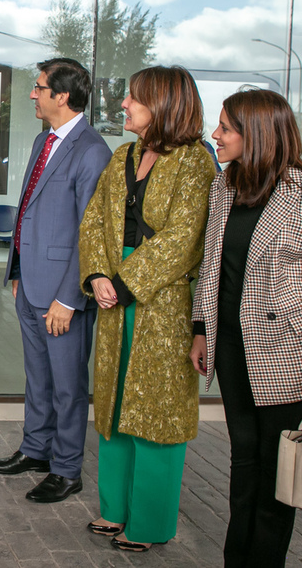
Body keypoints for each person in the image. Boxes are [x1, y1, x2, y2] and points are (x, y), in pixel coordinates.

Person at [79, 65, 215, 551]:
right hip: (114, 290)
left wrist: (124, 282)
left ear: (162, 103)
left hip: (164, 301)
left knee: (156, 413)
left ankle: (151, 524)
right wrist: (96, 275)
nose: (123, 106)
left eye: (132, 98)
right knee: (114, 405)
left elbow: (185, 238)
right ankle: (115, 510)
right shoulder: (123, 156)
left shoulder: (197, 161)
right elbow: (94, 219)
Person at [0, 58, 110, 502]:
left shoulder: (92, 150)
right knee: (37, 377)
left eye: (39, 88)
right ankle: (36, 450)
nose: (33, 95)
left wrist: (69, 298)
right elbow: (29, 212)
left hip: (63, 293)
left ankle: (66, 468)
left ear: (62, 96)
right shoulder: (44, 142)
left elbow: (92, 235)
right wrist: (16, 269)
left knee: (68, 385)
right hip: (30, 283)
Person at [189, 89, 302, 567]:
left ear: (257, 136)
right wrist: (200, 328)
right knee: (244, 459)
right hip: (231, 346)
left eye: (227, 129)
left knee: (279, 472)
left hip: (283, 349)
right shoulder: (224, 186)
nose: (216, 135)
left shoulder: (298, 193)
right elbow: (212, 265)